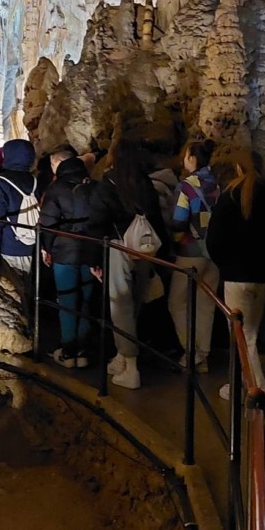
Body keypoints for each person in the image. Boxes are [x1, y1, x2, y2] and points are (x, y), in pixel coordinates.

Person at [207, 149, 265, 423]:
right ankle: (239, 386)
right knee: (248, 334)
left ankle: (261, 400)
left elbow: (214, 240)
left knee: (244, 338)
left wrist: (225, 264)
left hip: (236, 276)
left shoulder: (230, 196)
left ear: (236, 168)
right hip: (262, 277)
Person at [95, 141, 171, 390]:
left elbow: (96, 222)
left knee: (120, 305)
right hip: (144, 250)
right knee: (135, 304)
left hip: (118, 248)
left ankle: (131, 367)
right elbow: (157, 220)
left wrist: (94, 260)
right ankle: (121, 356)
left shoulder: (108, 183)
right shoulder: (144, 183)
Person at [38, 156, 103, 368]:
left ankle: (68, 351)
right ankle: (82, 351)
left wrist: (46, 247)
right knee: (85, 300)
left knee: (67, 301)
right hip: (90, 250)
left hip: (65, 252)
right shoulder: (94, 187)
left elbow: (48, 222)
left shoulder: (56, 189)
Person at [169, 139, 221, 373]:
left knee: (177, 301)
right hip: (215, 252)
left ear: (192, 158)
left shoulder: (187, 186)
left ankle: (191, 351)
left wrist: (176, 240)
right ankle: (204, 355)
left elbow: (180, 220)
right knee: (206, 303)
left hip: (191, 251)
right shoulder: (219, 184)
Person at [0, 139, 38, 336]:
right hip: (32, 242)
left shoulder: (1, 182)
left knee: (14, 287)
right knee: (31, 286)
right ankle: (33, 325)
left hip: (11, 243)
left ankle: (21, 329)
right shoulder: (33, 180)